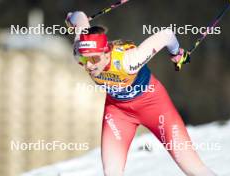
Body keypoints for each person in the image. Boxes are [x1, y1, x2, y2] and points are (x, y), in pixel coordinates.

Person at [66, 11, 216, 176]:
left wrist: (176, 53)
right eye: (83, 60)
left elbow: (166, 35)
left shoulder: (129, 61)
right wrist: (71, 18)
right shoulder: (80, 47)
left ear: (106, 53)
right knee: (111, 172)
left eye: (94, 59)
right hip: (118, 112)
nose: (89, 66)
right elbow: (79, 17)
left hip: (154, 106)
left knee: (194, 169)